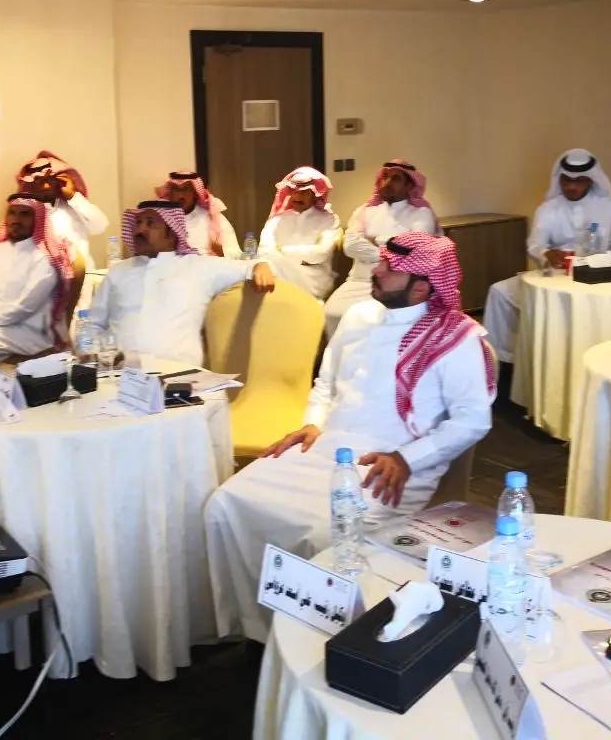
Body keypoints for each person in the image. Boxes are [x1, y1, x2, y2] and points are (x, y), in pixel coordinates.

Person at [206, 232, 496, 640]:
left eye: (390, 268)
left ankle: (312, 641)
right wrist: (312, 422)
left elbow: (473, 421)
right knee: (226, 502)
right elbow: (326, 383)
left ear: (422, 286)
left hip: (391, 464)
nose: (377, 270)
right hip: (325, 445)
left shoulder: (457, 339)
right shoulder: (358, 314)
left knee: (323, 535)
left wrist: (407, 458)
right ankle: (252, 627)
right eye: (381, 262)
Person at [482, 148, 611, 364]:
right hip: (558, 273)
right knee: (499, 291)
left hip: (601, 275)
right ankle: (503, 360)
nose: (571, 186)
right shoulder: (549, 208)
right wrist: (545, 253)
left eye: (579, 181)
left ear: (591, 180)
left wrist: (607, 260)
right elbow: (535, 243)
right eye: (566, 180)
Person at [88, 200, 274, 366]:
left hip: (179, 376)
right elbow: (93, 325)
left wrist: (260, 266)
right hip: (119, 376)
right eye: (138, 223)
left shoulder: (200, 267)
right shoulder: (118, 272)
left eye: (150, 223)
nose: (140, 230)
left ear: (172, 232)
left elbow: (248, 267)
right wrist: (102, 355)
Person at [0, 195, 76, 363]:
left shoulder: (45, 258)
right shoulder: (1, 249)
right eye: (12, 213)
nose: (16, 220)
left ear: (37, 219)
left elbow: (23, 308)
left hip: (25, 332)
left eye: (24, 214)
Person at [323, 159, 439, 337]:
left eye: (395, 179)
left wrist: (373, 241)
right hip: (359, 281)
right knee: (333, 312)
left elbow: (414, 250)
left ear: (409, 185)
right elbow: (350, 245)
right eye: (385, 177)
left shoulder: (421, 214)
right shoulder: (365, 210)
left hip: (397, 287)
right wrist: (391, 248)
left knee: (377, 320)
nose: (387, 182)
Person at [257, 167, 341, 300]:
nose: (297, 196)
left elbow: (320, 253)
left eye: (304, 192)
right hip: (279, 270)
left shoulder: (328, 219)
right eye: (293, 191)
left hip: (314, 276)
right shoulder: (276, 220)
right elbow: (263, 250)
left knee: (271, 268)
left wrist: (282, 250)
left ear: (314, 194)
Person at [17, 151, 109, 269]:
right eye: (40, 181)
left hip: (85, 276)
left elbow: (100, 226)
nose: (46, 186)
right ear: (31, 185)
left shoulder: (74, 205)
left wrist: (74, 197)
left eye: (50, 179)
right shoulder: (27, 215)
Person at [155, 170, 242, 258]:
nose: (181, 196)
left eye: (186, 189)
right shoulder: (160, 220)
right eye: (176, 190)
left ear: (195, 194)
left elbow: (236, 254)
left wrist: (221, 253)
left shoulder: (214, 218)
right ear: (170, 193)